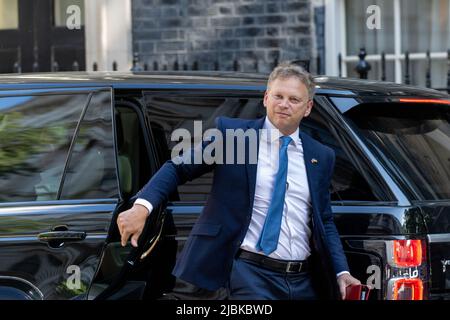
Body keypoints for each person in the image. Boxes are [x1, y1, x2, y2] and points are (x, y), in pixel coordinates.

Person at [117, 61, 360, 300]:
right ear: (266, 98)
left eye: (294, 99)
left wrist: (342, 271)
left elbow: (324, 220)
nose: (284, 104)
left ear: (307, 108)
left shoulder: (321, 155)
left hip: (305, 280)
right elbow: (178, 168)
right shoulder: (234, 138)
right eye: (278, 96)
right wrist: (142, 207)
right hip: (251, 275)